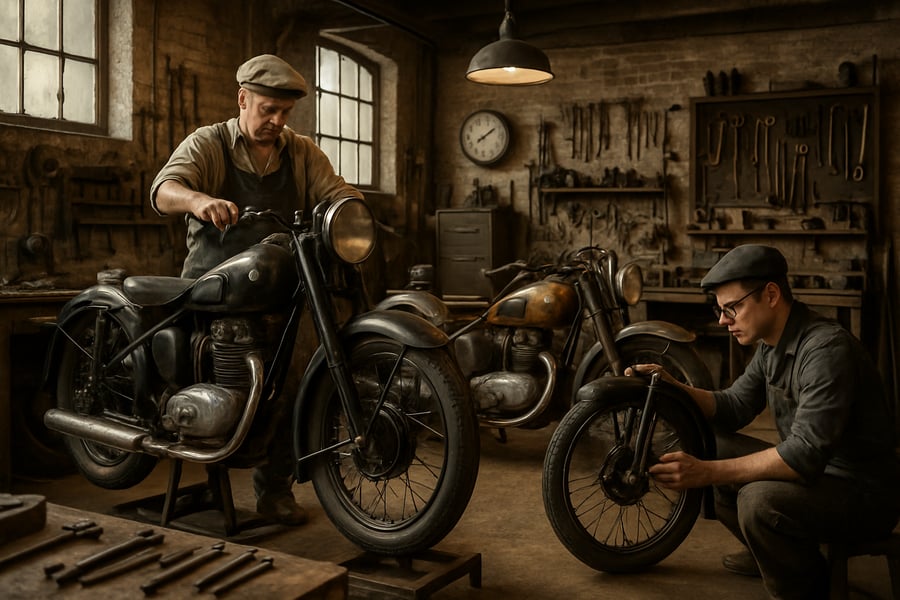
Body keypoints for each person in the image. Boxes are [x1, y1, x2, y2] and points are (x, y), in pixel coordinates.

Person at [150, 54, 364, 526]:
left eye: (285, 113)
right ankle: (207, 461)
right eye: (268, 109)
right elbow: (164, 189)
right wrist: (200, 200)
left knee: (292, 383)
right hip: (214, 287)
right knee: (218, 377)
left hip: (282, 289)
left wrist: (349, 208)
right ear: (242, 99)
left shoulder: (301, 151)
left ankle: (275, 491)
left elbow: (338, 193)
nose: (277, 122)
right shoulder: (208, 143)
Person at [628, 244, 900, 599]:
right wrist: (672, 386)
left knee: (758, 502)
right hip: (818, 477)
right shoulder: (772, 345)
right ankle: (776, 554)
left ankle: (807, 585)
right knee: (706, 440)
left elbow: (802, 456)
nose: (723, 320)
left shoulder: (826, 350)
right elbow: (734, 406)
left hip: (863, 493)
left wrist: (707, 471)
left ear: (771, 294)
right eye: (720, 310)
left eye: (732, 308)